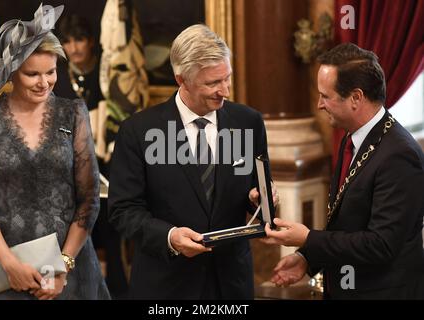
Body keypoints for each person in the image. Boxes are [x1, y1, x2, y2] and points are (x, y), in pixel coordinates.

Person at [108, 24, 275, 299]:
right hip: (166, 285)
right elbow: (123, 210)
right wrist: (170, 236)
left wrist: (261, 199)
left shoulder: (249, 122)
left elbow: (254, 192)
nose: (225, 91)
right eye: (212, 83)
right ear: (181, 79)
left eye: (227, 78)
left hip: (230, 284)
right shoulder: (138, 131)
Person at [263, 43, 424, 299]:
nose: (319, 105)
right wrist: (308, 258)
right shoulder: (352, 137)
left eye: (325, 96)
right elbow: (348, 223)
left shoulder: (399, 155)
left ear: (356, 98)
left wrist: (308, 240)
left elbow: (381, 245)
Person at [0, 4, 110, 300]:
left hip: (69, 270)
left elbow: (89, 199)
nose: (44, 83)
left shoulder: (73, 112)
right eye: (32, 74)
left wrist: (63, 265)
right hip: (5, 269)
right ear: (10, 73)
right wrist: (9, 264)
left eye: (51, 72)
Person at [54, 14, 128, 300]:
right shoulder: (58, 79)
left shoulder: (107, 77)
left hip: (108, 160)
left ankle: (119, 291)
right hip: (70, 163)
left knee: (111, 227)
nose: (74, 48)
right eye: (68, 41)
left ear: (92, 41)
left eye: (79, 39)